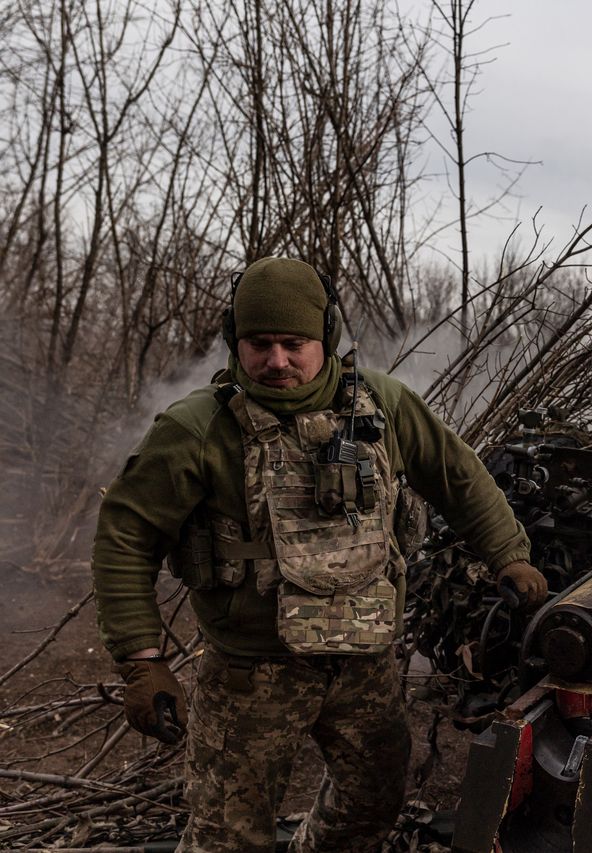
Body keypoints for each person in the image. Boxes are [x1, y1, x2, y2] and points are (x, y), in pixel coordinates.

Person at [92, 257, 548, 853]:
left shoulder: (383, 407)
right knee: (227, 836)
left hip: (364, 662)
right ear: (235, 340)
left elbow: (459, 477)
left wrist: (509, 556)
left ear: (326, 338)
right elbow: (125, 537)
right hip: (250, 673)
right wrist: (143, 661)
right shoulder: (197, 430)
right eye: (259, 344)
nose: (276, 361)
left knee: (372, 805)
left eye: (293, 343)